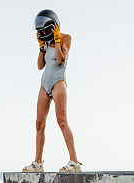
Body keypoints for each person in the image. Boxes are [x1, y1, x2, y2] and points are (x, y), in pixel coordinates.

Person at [22, 9, 82, 173]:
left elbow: (61, 61)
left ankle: (74, 162)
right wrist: (42, 47)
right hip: (44, 83)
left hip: (58, 82)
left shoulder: (65, 38)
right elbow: (40, 66)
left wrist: (56, 41)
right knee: (39, 124)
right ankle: (38, 163)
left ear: (53, 25)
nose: (43, 33)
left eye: (45, 30)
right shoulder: (46, 43)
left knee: (62, 121)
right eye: (40, 31)